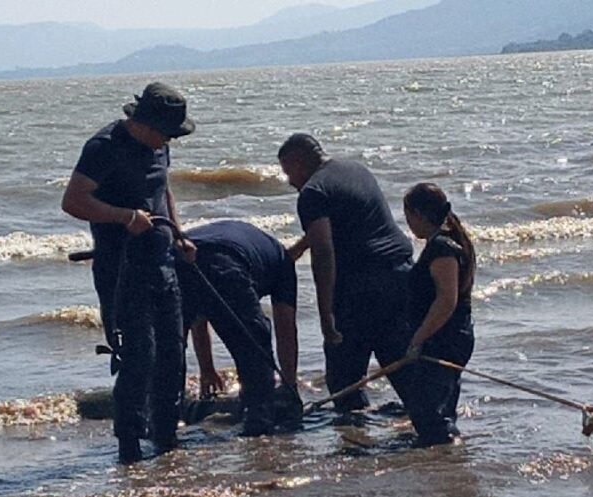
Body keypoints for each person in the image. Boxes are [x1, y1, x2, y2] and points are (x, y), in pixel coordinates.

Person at [61, 82, 196, 464]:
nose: (167, 141)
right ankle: (130, 448)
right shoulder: (103, 147)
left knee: (173, 353)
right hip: (121, 268)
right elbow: (73, 201)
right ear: (143, 122)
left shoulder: (160, 145)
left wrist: (179, 233)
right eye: (165, 133)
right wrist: (123, 217)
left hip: (162, 262)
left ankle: (167, 440)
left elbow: (163, 190)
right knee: (139, 357)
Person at [277, 133, 415, 414]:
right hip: (401, 275)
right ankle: (430, 431)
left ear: (300, 162)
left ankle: (355, 443)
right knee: (401, 363)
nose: (290, 181)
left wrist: (326, 315)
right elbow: (345, 219)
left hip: (360, 287)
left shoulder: (313, 192)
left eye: (288, 171)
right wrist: (297, 250)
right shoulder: (354, 169)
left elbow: (324, 253)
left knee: (343, 377)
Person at [177, 220, 301, 435]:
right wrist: (290, 385)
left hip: (182, 255)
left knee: (170, 351)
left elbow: (199, 315)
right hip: (226, 261)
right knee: (255, 350)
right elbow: (285, 329)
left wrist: (207, 369)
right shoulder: (283, 265)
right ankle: (259, 425)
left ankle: (165, 427)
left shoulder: (263, 251)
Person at [402, 182, 476, 446]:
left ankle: (446, 456)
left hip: (444, 340)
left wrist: (418, 339)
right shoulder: (446, 242)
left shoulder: (443, 248)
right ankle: (447, 451)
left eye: (408, 216)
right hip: (449, 337)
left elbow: (447, 300)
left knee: (428, 412)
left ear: (418, 215)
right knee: (438, 407)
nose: (408, 223)